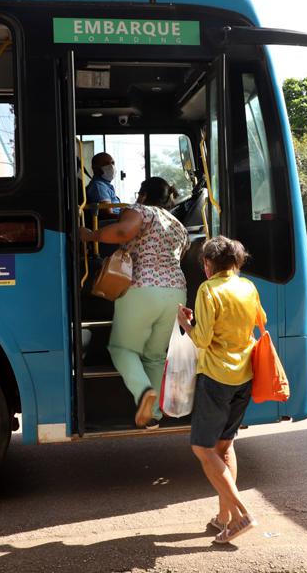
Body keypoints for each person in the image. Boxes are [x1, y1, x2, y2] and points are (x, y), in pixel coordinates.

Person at [80, 177, 187, 429]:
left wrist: (91, 234)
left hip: (142, 289)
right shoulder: (177, 224)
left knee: (122, 350)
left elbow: (122, 232)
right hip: (176, 293)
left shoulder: (140, 211)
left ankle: (143, 393)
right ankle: (154, 416)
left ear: (142, 195)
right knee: (155, 356)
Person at [177, 236, 263, 545]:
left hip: (216, 377)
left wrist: (186, 323)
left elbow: (201, 340)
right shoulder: (248, 287)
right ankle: (224, 518)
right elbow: (256, 322)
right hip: (245, 374)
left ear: (208, 264)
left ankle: (241, 515)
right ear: (237, 263)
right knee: (225, 447)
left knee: (202, 448)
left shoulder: (208, 289)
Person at [85, 152, 121, 217]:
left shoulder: (106, 185)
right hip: (111, 222)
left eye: (113, 163)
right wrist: (127, 218)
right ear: (95, 168)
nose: (111, 167)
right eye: (106, 164)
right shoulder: (99, 186)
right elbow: (107, 214)